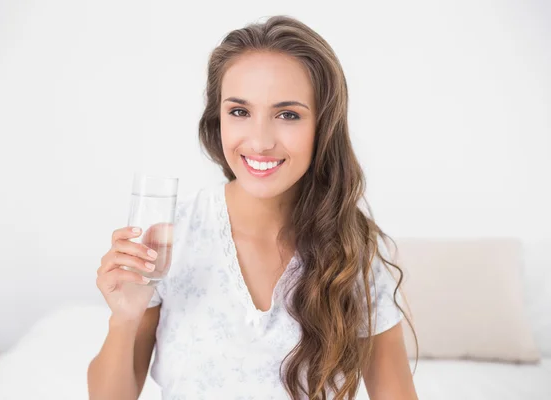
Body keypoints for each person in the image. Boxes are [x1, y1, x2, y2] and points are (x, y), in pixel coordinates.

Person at [88, 15, 418, 400]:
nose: (260, 142)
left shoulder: (352, 250)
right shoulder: (172, 236)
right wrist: (124, 318)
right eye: (240, 111)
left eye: (287, 115)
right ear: (218, 118)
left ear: (323, 125)